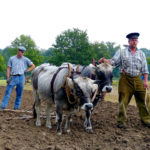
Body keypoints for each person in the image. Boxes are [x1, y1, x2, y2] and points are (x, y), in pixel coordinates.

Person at [99, 32, 150, 128]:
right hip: (125, 79)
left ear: (137, 41)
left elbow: (145, 69)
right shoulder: (122, 52)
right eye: (132, 40)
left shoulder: (141, 53)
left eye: (136, 40)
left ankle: (146, 120)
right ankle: (121, 121)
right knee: (123, 100)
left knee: (143, 100)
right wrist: (105, 60)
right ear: (129, 41)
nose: (134, 42)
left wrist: (146, 81)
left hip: (138, 79)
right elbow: (113, 62)